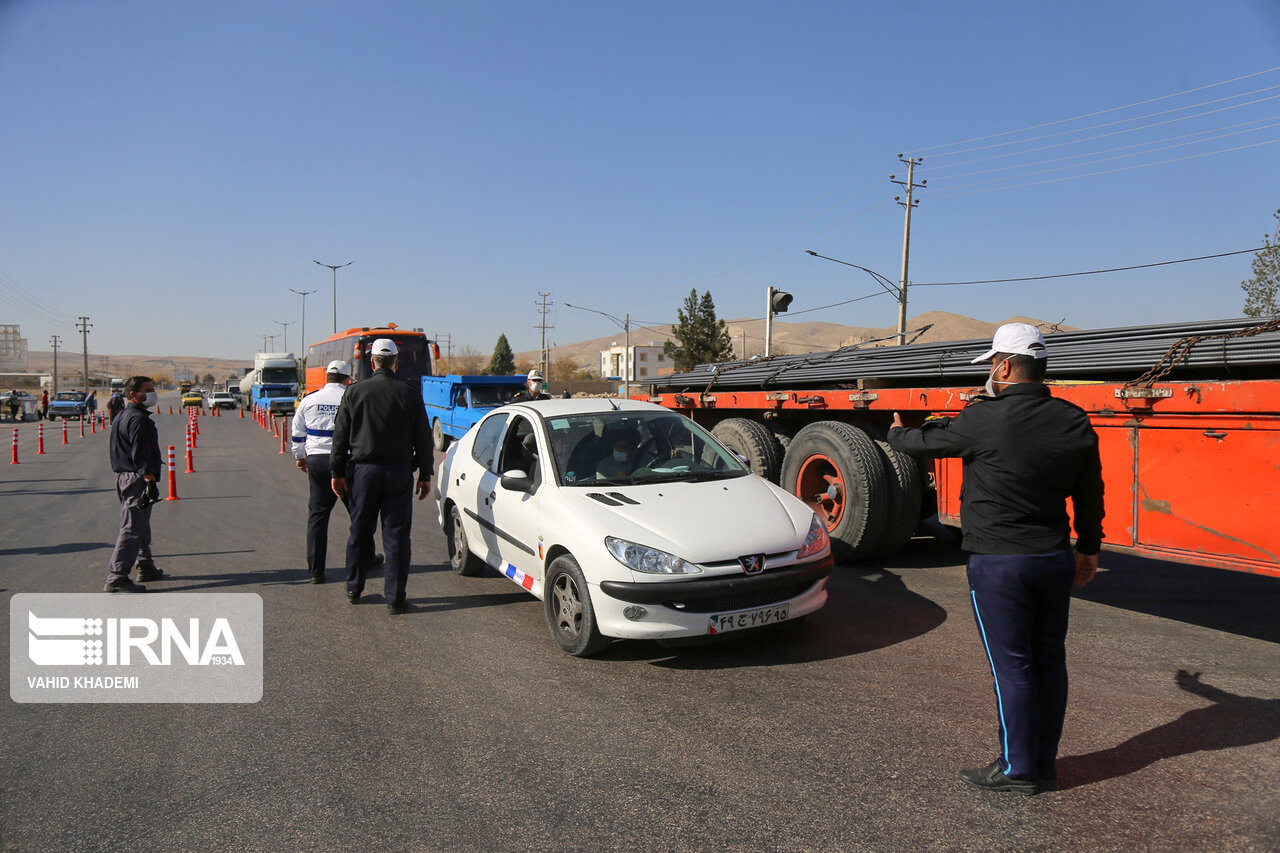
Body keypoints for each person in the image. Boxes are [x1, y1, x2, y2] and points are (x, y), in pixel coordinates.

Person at [887, 322, 1104, 795]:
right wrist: (1088, 548)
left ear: (1004, 366)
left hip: (1000, 564)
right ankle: (1041, 763)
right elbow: (1090, 493)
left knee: (1012, 666)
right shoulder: (1074, 419)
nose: (991, 374)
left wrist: (897, 429)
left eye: (992, 366)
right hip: (1053, 556)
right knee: (1049, 660)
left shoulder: (983, 418)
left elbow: (920, 444)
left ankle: (1017, 768)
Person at [330, 339, 433, 614]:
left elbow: (340, 437)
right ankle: (395, 598)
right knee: (396, 536)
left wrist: (337, 472)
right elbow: (423, 437)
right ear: (396, 363)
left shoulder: (354, 393)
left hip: (363, 473)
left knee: (360, 531)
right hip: (399, 472)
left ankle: (354, 587)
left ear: (372, 362)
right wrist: (425, 473)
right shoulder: (409, 394)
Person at [291, 361, 383, 584]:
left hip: (316, 460)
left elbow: (297, 432)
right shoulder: (353, 397)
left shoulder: (310, 399)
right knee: (359, 513)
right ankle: (366, 557)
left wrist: (300, 457)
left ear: (327, 377)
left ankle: (316, 571)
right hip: (347, 461)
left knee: (318, 515)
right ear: (346, 378)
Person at [105, 376, 165, 592]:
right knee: (131, 527)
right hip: (136, 478)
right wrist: (149, 481)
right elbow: (141, 454)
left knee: (140, 524)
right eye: (147, 390)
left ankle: (145, 565)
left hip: (124, 477)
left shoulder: (123, 416)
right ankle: (117, 577)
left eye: (152, 389)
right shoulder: (139, 420)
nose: (152, 394)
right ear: (133, 394)